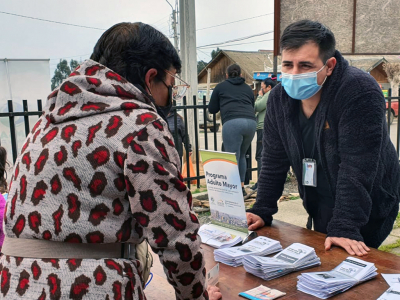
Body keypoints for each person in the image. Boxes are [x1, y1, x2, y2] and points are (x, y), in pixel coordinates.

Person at [1, 22, 221, 300]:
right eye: (171, 85)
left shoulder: (48, 120)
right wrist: (197, 296)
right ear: (150, 78)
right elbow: (176, 237)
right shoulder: (141, 125)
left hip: (16, 283)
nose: (171, 97)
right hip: (88, 286)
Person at [247, 20, 400, 257]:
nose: (294, 74)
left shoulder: (359, 91)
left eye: (305, 65)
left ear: (329, 65)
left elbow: (357, 166)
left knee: (351, 265)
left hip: (366, 201)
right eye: (288, 65)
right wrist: (262, 209)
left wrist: (346, 226)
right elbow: (273, 159)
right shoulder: (278, 99)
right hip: (319, 196)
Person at [209, 64, 257, 196]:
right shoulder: (248, 88)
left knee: (231, 157)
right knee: (242, 155)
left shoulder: (221, 87)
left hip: (233, 122)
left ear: (226, 75)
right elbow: (251, 105)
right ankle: (240, 187)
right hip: (251, 122)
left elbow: (212, 109)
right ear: (241, 75)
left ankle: (232, 190)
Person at [251, 77, 277, 191]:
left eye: (262, 88)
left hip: (264, 127)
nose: (260, 90)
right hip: (270, 127)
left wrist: (260, 96)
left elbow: (256, 107)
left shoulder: (269, 94)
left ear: (269, 87)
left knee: (260, 156)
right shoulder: (275, 94)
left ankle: (261, 183)